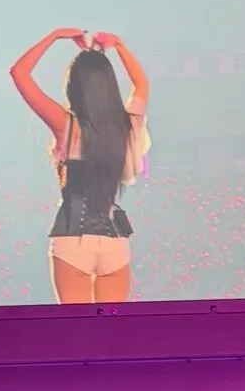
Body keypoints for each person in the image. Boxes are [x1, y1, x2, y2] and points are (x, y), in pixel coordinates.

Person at [10, 28, 150, 304]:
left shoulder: (67, 126)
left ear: (74, 87)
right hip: (115, 242)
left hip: (72, 240)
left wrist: (54, 36)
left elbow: (20, 74)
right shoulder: (127, 127)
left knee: (75, 325)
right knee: (112, 326)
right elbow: (141, 84)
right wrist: (119, 45)